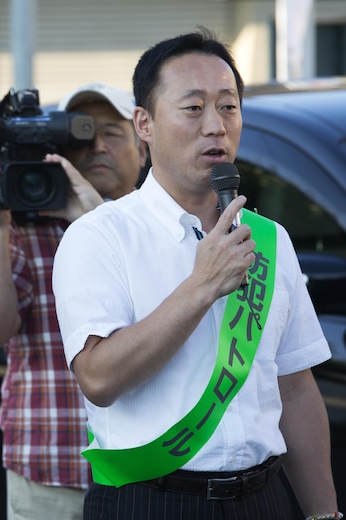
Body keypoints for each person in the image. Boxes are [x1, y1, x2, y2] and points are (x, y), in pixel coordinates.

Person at [53, 28, 340, 519]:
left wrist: (323, 513)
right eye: (193, 108)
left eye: (228, 107)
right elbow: (97, 378)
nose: (216, 126)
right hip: (150, 499)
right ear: (144, 123)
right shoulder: (99, 236)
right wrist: (201, 287)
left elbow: (295, 387)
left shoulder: (270, 241)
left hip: (264, 500)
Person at [0, 83, 147, 519]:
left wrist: (95, 222)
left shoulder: (162, 227)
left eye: (112, 134)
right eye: (81, 135)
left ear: (143, 148)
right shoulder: (27, 226)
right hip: (49, 471)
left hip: (149, 472)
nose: (97, 146)